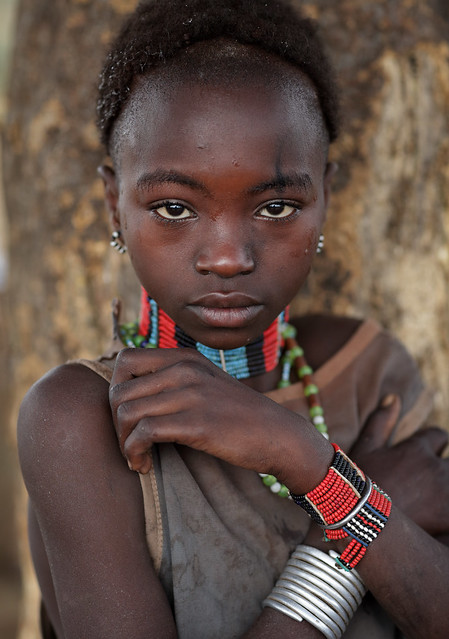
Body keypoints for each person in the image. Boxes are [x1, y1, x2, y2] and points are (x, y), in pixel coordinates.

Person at [17, 1, 449, 638]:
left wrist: (301, 453)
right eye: (172, 207)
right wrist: (335, 499)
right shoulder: (81, 419)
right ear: (115, 205)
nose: (227, 257)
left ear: (324, 197)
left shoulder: (368, 367)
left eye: (276, 207)